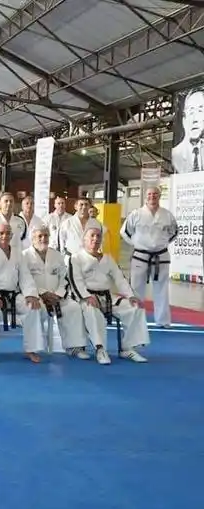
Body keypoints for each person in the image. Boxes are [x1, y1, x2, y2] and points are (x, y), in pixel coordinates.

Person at [69, 228, 150, 364]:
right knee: (93, 312)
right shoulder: (76, 258)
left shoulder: (108, 258)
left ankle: (127, 348)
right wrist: (86, 296)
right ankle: (100, 349)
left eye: (98, 236)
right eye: (92, 236)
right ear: (84, 240)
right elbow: (75, 281)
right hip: (87, 296)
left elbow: (120, 279)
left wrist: (130, 295)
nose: (95, 239)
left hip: (107, 296)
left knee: (134, 308)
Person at [0, 222, 44, 363]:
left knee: (33, 307)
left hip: (13, 294)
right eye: (1, 233)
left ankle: (31, 349)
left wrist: (31, 295)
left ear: (12, 236)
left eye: (8, 233)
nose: (5, 236)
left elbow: (25, 276)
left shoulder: (18, 254)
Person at [22, 226, 88, 358]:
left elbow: (65, 278)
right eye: (40, 236)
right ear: (32, 239)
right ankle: (33, 348)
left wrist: (58, 294)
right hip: (36, 296)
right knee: (35, 309)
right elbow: (24, 279)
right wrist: (42, 293)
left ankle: (74, 347)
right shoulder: (24, 256)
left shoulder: (57, 255)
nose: (43, 239)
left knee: (73, 307)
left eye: (46, 236)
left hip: (57, 296)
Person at [120, 186, 178, 328]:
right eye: (150, 194)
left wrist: (161, 244)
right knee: (136, 288)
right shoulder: (136, 214)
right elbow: (125, 232)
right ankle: (134, 318)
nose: (152, 196)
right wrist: (136, 244)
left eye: (155, 194)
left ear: (159, 196)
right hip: (140, 255)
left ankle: (163, 320)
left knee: (162, 288)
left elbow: (174, 232)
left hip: (161, 255)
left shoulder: (167, 215)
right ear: (146, 196)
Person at [171, 89, 204, 174]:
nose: (195, 119)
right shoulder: (177, 153)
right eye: (191, 112)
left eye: (200, 111)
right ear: (184, 119)